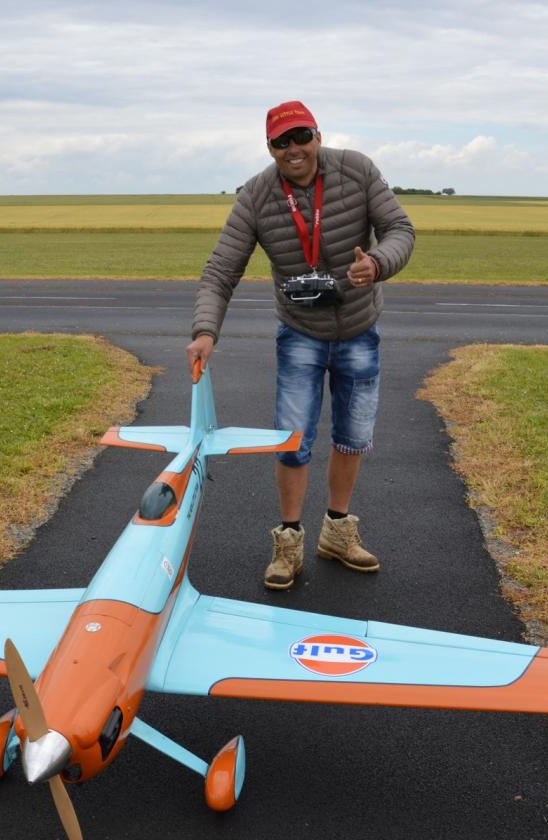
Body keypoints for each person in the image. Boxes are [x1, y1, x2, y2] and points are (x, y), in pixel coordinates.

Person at [186, 100, 415, 591]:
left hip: (359, 327)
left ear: (318, 135)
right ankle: (288, 541)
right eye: (281, 142)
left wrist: (377, 263)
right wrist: (205, 332)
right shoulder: (256, 195)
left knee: (353, 435)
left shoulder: (356, 170)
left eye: (301, 136)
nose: (293, 149)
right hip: (300, 333)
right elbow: (221, 270)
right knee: (292, 441)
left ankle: (337, 532)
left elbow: (400, 229)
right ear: (270, 148)